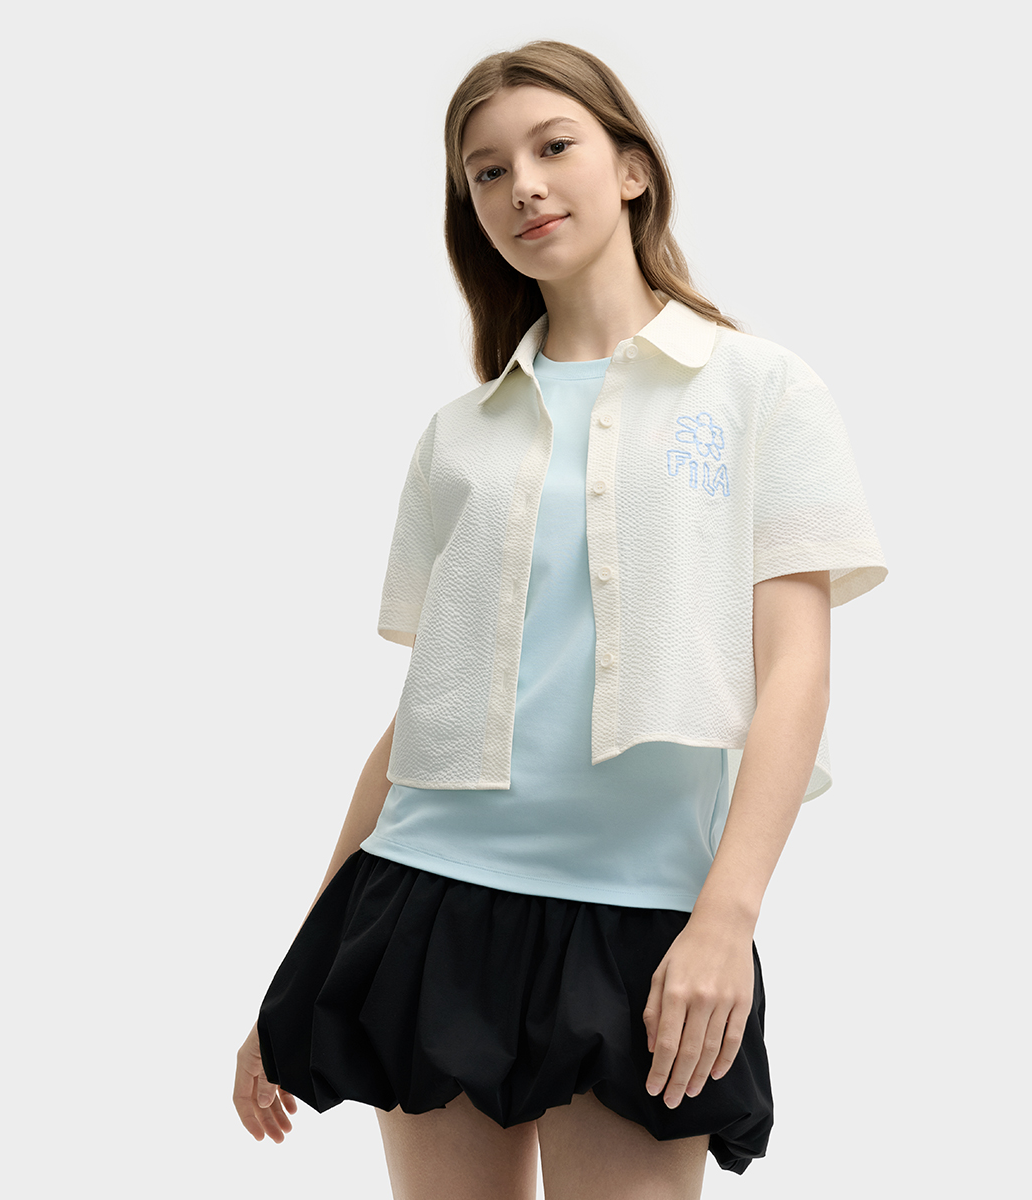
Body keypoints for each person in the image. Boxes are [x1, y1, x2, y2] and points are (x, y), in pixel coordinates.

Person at [232, 38, 887, 1199]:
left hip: (642, 917)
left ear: (632, 169)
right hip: (425, 898)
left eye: (552, 147)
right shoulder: (460, 434)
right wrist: (303, 964)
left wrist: (726, 917)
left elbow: (796, 671)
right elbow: (426, 716)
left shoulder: (760, 390)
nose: (521, 186)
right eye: (486, 172)